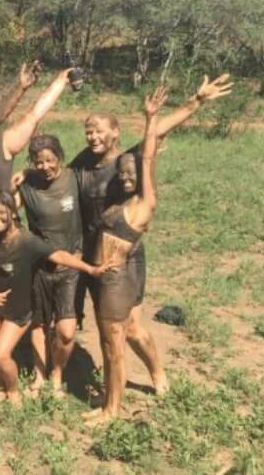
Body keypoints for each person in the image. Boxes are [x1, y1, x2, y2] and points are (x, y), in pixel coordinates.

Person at [69, 74, 233, 392]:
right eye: (88, 131)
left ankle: (157, 372)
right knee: (107, 328)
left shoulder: (124, 161)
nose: (92, 136)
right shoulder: (82, 163)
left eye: (99, 130)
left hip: (125, 258)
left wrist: (195, 101)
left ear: (115, 133)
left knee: (129, 327)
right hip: (89, 255)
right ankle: (114, 386)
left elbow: (157, 133)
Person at [0, 191, 112, 407]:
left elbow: (58, 255)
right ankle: (1, 387)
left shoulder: (27, 241)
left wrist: (90, 269)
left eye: (1, 212)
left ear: (12, 212)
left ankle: (13, 393)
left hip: (18, 308)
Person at [86, 86, 168, 423]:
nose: (126, 177)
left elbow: (147, 157)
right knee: (132, 330)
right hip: (123, 269)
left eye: (132, 174)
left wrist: (151, 118)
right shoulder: (120, 199)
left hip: (116, 277)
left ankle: (111, 409)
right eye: (122, 173)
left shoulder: (144, 204)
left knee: (111, 344)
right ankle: (158, 374)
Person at [15, 134, 85, 396]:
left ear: (60, 157)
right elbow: (8, 210)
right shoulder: (28, 184)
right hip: (39, 266)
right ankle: (39, 374)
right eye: (38, 161)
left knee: (66, 332)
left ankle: (57, 373)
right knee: (39, 324)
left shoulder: (73, 178)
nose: (45, 166)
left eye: (49, 160)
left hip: (70, 265)